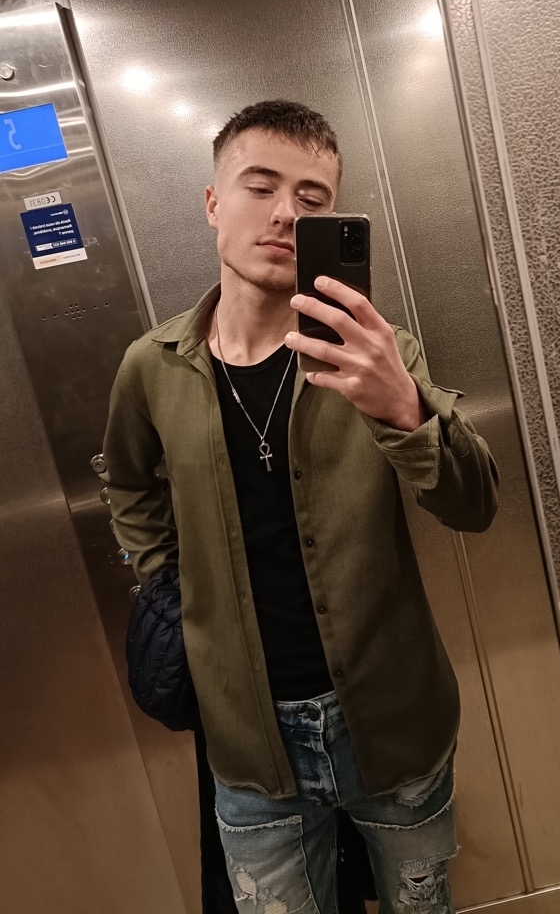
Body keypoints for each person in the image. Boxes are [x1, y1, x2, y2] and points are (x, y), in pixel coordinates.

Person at [103, 100, 499, 913]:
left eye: (312, 199)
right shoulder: (153, 366)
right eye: (261, 187)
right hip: (249, 742)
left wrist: (404, 409)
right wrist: (164, 580)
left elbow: (475, 505)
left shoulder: (380, 351)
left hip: (392, 720)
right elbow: (129, 482)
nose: (286, 212)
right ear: (213, 203)